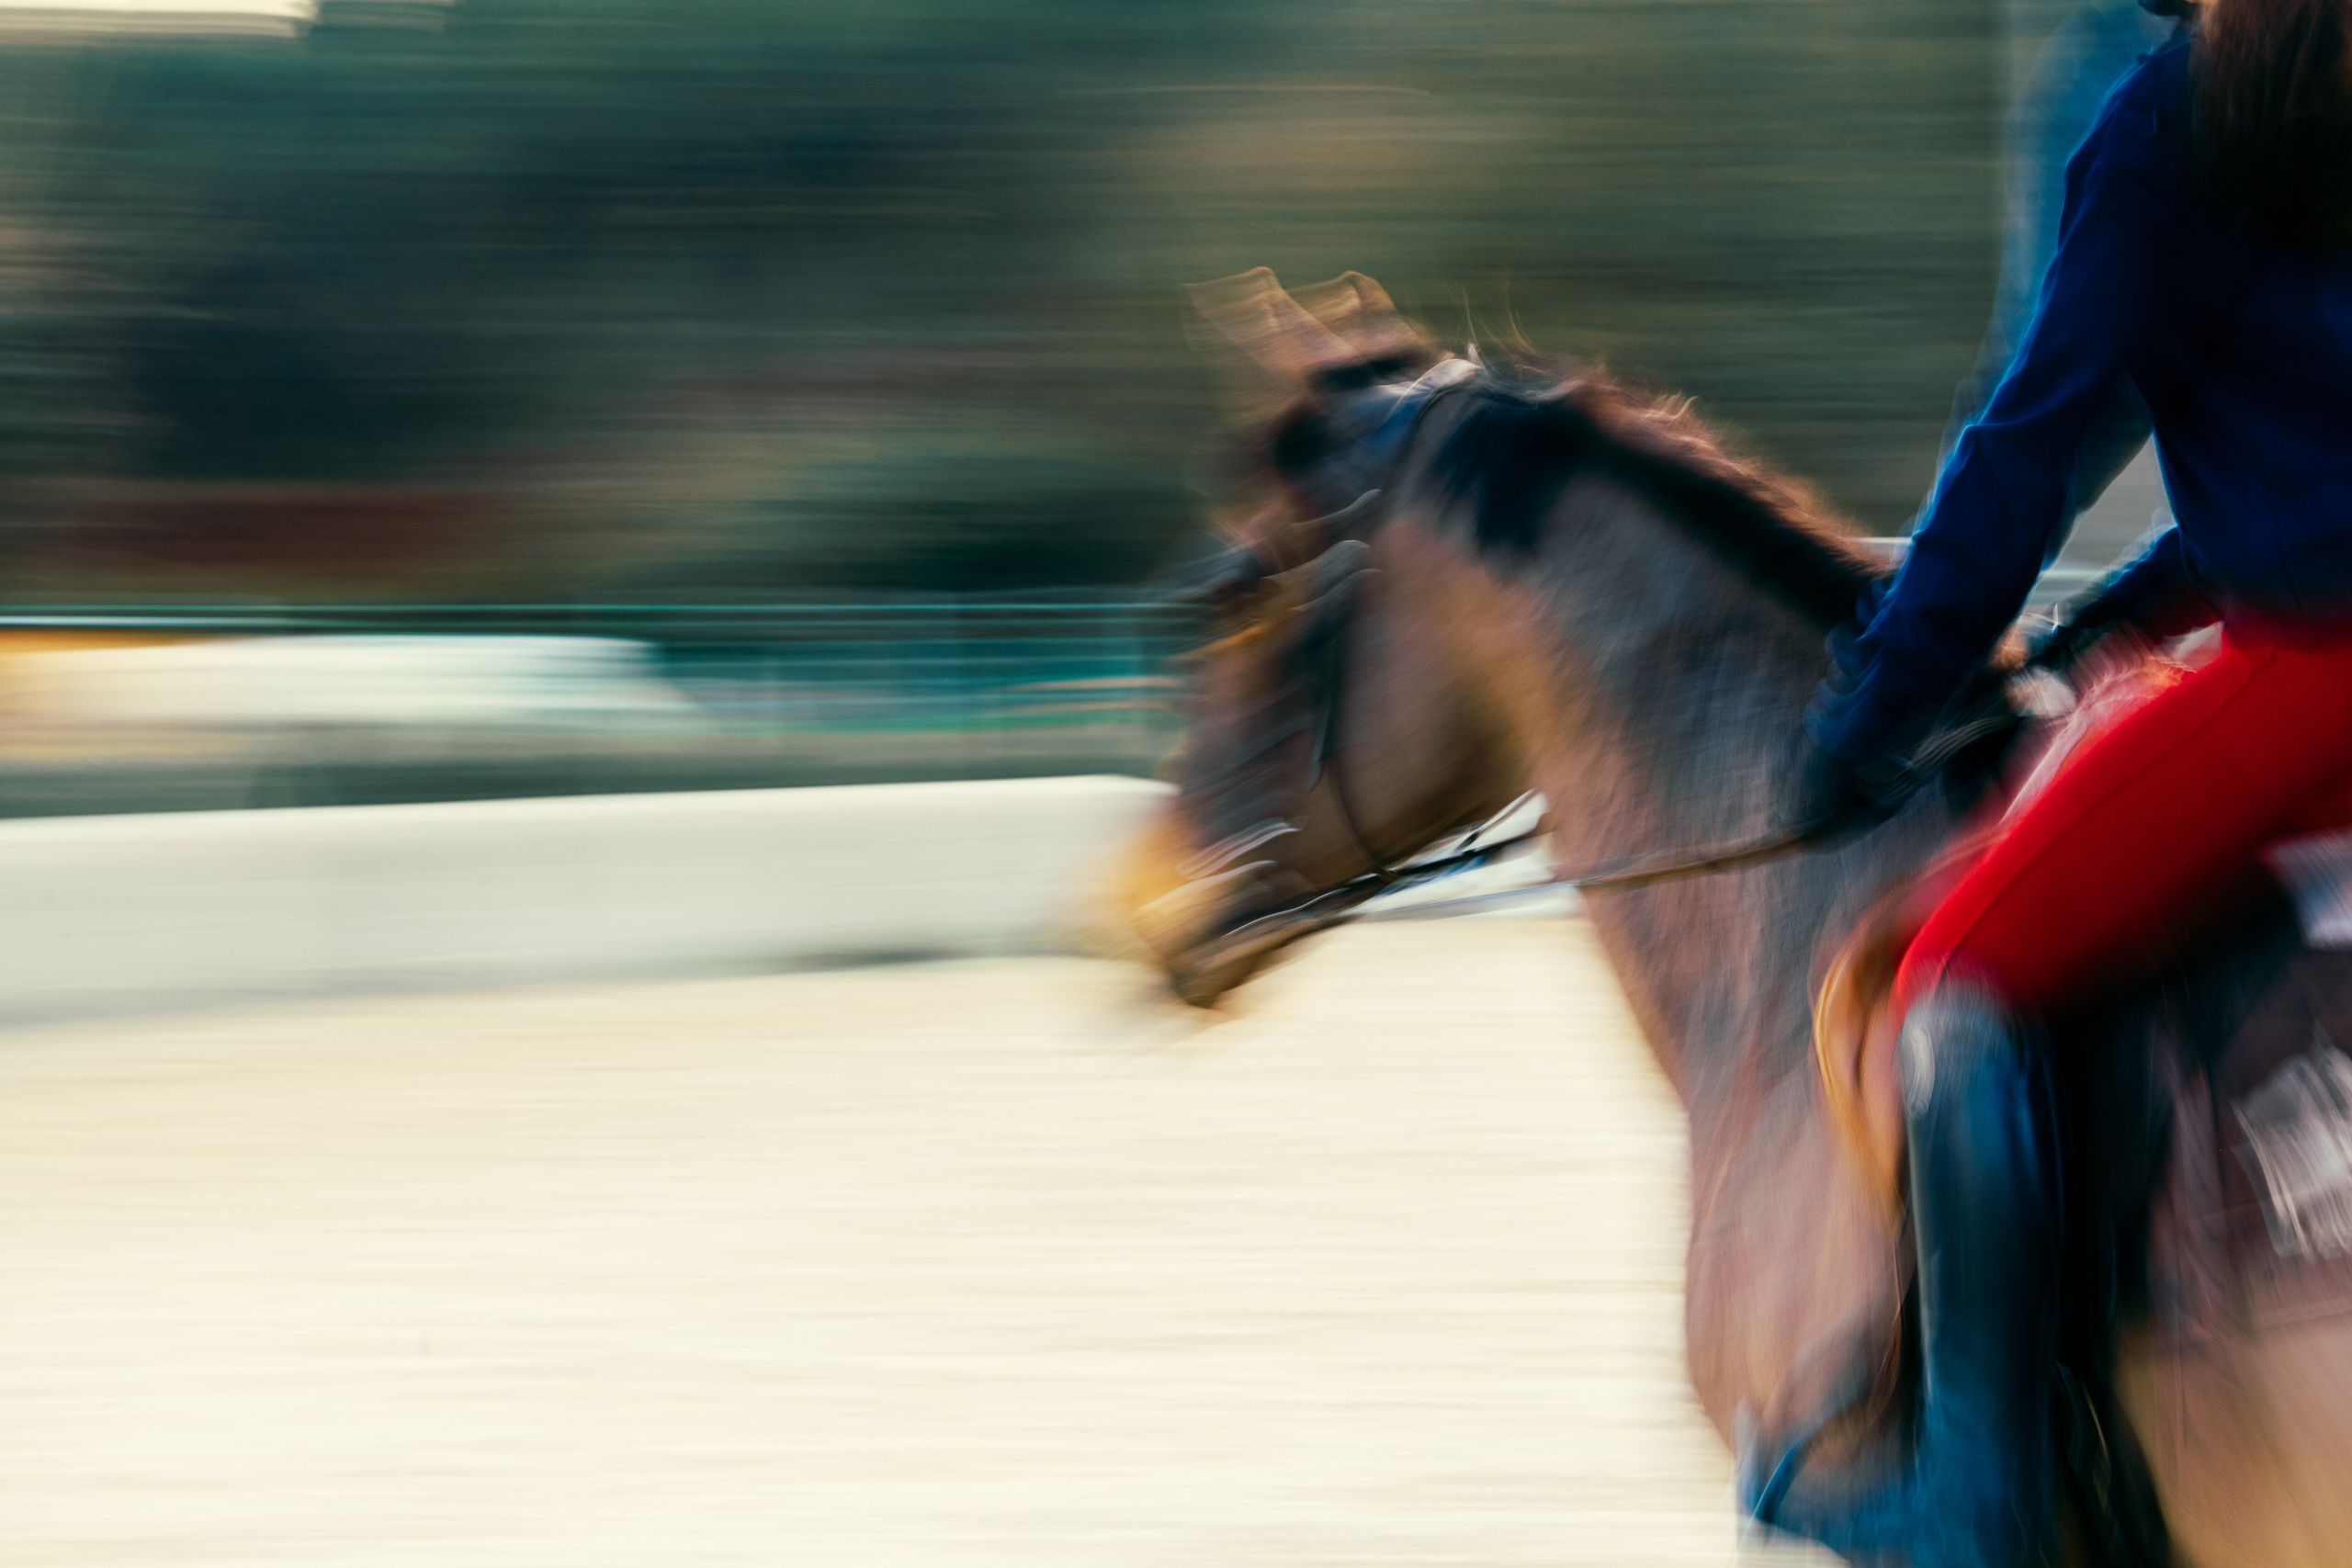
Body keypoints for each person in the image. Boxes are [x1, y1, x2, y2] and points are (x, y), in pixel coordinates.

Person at [1752, 2, 2352, 1564]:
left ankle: (1981, 1484)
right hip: (2281, 622)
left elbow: (2029, 446)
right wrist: (2114, 622)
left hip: (2320, 676)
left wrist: (1873, 712)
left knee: (1954, 977)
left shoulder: (2172, 115)